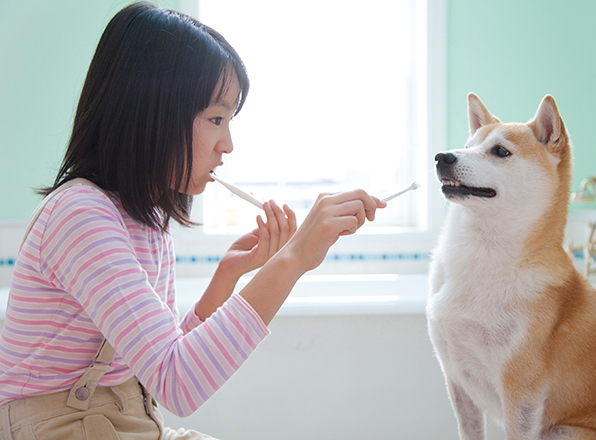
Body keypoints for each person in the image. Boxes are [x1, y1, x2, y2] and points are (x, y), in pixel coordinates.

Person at [0, 3, 385, 439]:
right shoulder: (80, 217)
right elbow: (178, 382)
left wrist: (227, 277)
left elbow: (161, 361)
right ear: (153, 112)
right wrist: (293, 259)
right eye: (216, 119)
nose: (229, 144)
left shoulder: (144, 221)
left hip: (125, 422)